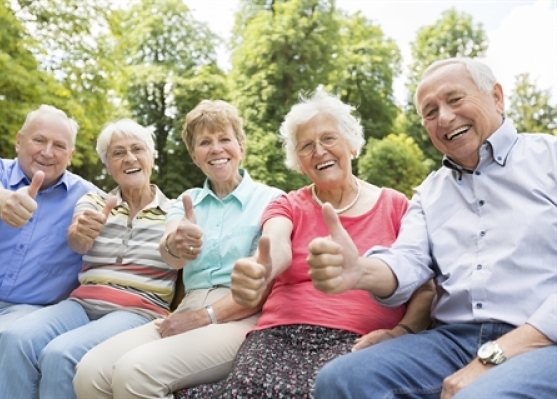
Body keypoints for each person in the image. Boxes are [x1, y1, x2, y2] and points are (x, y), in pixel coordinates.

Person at [308, 57, 557, 399]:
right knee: (342, 379)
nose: (444, 117)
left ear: (497, 97)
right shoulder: (429, 193)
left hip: (544, 338)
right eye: (430, 111)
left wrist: (490, 360)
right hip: (453, 341)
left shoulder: (550, 158)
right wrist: (361, 271)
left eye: (455, 99)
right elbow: (407, 261)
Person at [178, 91, 435, 398]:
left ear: (352, 143)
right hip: (278, 335)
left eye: (329, 138)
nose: (319, 151)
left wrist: (400, 333)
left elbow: (425, 289)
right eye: (307, 146)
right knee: (246, 388)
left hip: (357, 339)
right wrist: (263, 267)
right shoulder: (287, 205)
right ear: (299, 163)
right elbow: (276, 245)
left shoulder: (396, 206)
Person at [73, 100, 284, 399]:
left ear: (241, 146)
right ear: (194, 156)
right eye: (205, 142)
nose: (216, 149)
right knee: (91, 371)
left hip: (242, 317)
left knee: (136, 372)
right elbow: (170, 250)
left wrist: (203, 317)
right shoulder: (187, 200)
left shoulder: (272, 199)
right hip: (188, 307)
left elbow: (265, 281)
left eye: (225, 139)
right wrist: (177, 244)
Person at [0, 119, 175, 399]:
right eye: (118, 153)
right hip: (81, 304)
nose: (129, 158)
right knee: (14, 339)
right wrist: (82, 232)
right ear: (108, 165)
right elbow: (78, 240)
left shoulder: (175, 211)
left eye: (138, 149)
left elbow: (178, 254)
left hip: (137, 311)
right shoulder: (94, 201)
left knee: (60, 354)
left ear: (151, 156)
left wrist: (180, 247)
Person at [0, 105, 96, 399]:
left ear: (70, 156)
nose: (47, 152)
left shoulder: (88, 197)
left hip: (20, 312)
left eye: (59, 145)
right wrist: (6, 201)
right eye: (39, 140)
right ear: (19, 140)